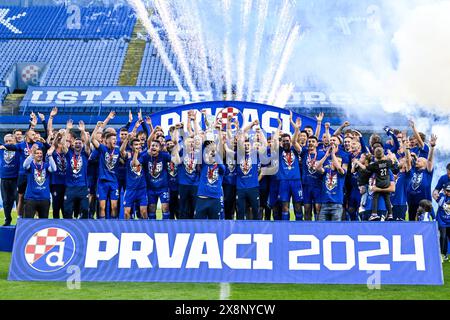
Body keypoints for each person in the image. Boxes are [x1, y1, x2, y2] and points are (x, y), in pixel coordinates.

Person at [273, 115, 304, 221]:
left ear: (290, 141)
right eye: (284, 141)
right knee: (285, 206)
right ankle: (286, 227)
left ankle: (299, 226)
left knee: (298, 206)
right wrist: (279, 126)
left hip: (296, 181)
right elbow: (275, 141)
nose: (286, 142)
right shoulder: (279, 151)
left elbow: (295, 141)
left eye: (287, 140)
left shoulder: (295, 150)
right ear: (282, 142)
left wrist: (296, 128)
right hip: (283, 181)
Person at [91, 122, 121, 219]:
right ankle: (103, 225)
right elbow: (92, 140)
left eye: (115, 139)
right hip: (102, 182)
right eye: (113, 139)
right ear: (107, 141)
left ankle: (113, 224)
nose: (115, 141)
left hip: (114, 182)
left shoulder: (118, 150)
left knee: (114, 206)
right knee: (102, 206)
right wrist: (97, 127)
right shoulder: (102, 148)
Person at [141, 127, 171, 220]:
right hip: (151, 188)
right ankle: (152, 227)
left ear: (159, 148)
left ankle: (166, 226)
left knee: (165, 207)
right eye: (152, 146)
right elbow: (137, 163)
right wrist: (153, 130)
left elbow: (176, 160)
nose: (153, 147)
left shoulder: (164, 155)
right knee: (151, 208)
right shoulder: (146, 156)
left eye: (156, 146)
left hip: (163, 187)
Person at [62, 121, 91, 219]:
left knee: (85, 209)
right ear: (73, 145)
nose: (78, 144)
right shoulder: (69, 154)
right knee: (67, 210)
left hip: (82, 186)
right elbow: (63, 145)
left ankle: (82, 226)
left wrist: (83, 131)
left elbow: (88, 143)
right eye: (76, 143)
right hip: (70, 187)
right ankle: (69, 226)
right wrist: (68, 129)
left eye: (80, 143)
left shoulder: (85, 154)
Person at [407, 134, 437, 221]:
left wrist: (432, 147)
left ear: (425, 163)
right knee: (412, 222)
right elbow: (409, 160)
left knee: (426, 222)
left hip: (425, 203)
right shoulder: (414, 170)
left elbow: (430, 160)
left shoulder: (427, 172)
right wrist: (407, 147)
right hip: (412, 202)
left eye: (419, 160)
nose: (416, 161)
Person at [194, 139, 225, 220]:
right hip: (202, 198)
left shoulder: (221, 167)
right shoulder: (204, 165)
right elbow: (201, 154)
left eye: (213, 153)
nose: (211, 154)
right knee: (199, 224)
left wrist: (214, 151)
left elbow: (222, 168)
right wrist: (205, 145)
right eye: (208, 153)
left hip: (215, 199)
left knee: (215, 225)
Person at [315, 143, 347, 221]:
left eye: (339, 162)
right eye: (336, 161)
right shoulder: (326, 171)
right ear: (332, 162)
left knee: (335, 230)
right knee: (322, 227)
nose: (338, 163)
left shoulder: (342, 173)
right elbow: (317, 168)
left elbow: (339, 168)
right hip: (325, 203)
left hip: (337, 204)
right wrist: (326, 155)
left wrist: (333, 154)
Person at [23, 144, 56, 219]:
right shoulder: (30, 165)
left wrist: (50, 156)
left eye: (41, 153)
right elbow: (24, 165)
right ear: (34, 155)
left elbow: (54, 169)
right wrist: (31, 154)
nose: (39, 155)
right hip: (31, 198)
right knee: (28, 221)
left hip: (44, 198)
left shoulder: (46, 165)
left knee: (43, 223)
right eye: (37, 153)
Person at [120, 134, 148, 220]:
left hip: (141, 189)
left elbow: (135, 163)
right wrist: (127, 139)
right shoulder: (128, 155)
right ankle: (128, 231)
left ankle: (146, 229)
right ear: (131, 146)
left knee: (143, 212)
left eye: (139, 144)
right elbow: (121, 151)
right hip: (130, 189)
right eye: (136, 145)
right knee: (126, 213)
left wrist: (136, 153)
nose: (138, 146)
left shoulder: (143, 155)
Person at [365, 147, 395, 221]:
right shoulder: (387, 162)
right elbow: (393, 161)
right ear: (383, 154)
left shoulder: (375, 165)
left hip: (379, 183)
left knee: (375, 197)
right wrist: (390, 155)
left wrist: (367, 158)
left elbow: (367, 167)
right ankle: (390, 214)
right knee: (387, 199)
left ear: (375, 155)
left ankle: (374, 214)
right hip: (386, 183)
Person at [0, 134, 19, 226]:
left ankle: (20, 220)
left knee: (18, 200)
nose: (8, 143)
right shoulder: (1, 149)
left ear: (14, 141)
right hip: (4, 178)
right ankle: (8, 219)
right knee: (6, 201)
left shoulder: (18, 149)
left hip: (16, 178)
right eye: (6, 141)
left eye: (10, 141)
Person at [436, 184, 450, 261]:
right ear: (445, 190)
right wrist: (443, 195)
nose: (449, 192)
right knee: (443, 237)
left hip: (449, 221)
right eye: (447, 191)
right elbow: (441, 204)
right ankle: (442, 254)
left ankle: (445, 254)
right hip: (442, 221)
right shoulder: (442, 196)